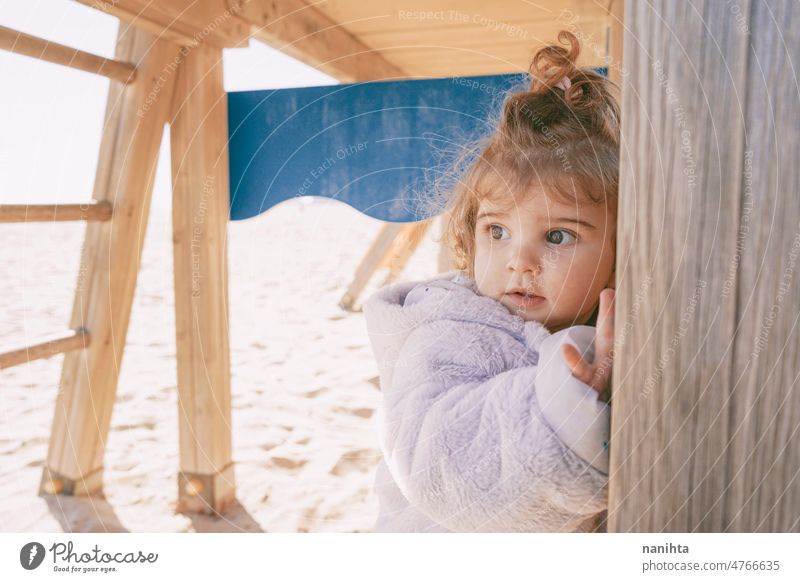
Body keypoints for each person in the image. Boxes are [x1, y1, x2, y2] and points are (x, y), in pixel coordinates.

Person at [362, 30, 619, 532]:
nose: (519, 262)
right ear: (470, 233)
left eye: (559, 236)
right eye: (497, 231)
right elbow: (437, 458)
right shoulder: (451, 332)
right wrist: (558, 409)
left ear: (619, 253)